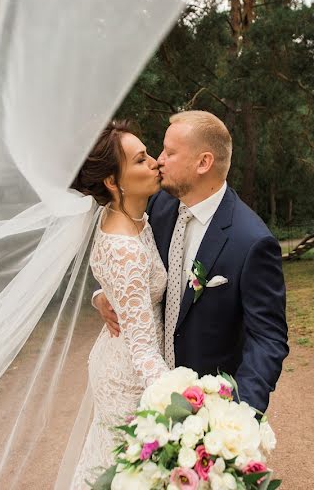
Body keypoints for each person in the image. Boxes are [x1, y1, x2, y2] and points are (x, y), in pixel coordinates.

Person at [93, 110, 289, 416]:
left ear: (203, 163)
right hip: (140, 389)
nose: (158, 160)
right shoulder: (157, 205)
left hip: (205, 402)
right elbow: (123, 251)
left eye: (170, 152)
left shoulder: (251, 242)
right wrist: (104, 294)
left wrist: (240, 415)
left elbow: (267, 338)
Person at [69, 120, 169, 488]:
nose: (156, 162)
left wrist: (101, 296)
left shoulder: (123, 214)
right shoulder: (125, 247)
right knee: (124, 473)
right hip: (130, 377)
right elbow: (143, 349)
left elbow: (113, 280)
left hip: (114, 355)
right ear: (113, 181)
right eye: (141, 160)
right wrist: (188, 402)